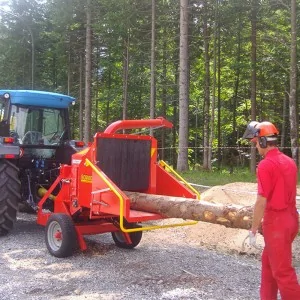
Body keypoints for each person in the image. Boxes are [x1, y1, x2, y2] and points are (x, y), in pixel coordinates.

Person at [243, 121, 300, 300]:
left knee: (283, 272)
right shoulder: (290, 162)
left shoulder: (266, 165)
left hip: (277, 224)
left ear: (263, 141)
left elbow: (261, 201)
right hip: (291, 219)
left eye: (256, 142)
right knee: (269, 265)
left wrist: (253, 228)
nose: (256, 147)